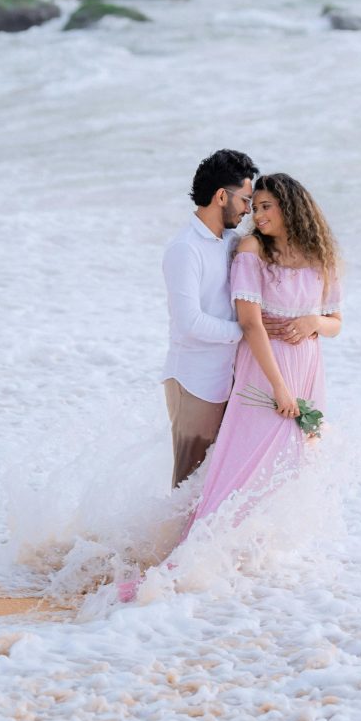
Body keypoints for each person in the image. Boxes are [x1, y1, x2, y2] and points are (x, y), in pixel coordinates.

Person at [189, 173, 342, 532]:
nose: (257, 216)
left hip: (307, 367)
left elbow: (336, 323)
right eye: (254, 207)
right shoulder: (251, 251)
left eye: (266, 206)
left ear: (291, 207)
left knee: (294, 459)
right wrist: (280, 387)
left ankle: (262, 554)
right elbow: (251, 324)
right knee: (248, 458)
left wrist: (313, 322)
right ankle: (209, 543)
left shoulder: (321, 255)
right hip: (265, 367)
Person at [161, 149, 258, 488]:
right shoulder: (184, 249)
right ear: (221, 196)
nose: (248, 209)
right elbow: (189, 322)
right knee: (187, 486)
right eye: (245, 199)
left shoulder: (232, 242)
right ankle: (162, 544)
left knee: (214, 484)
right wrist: (247, 332)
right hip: (193, 381)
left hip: (225, 379)